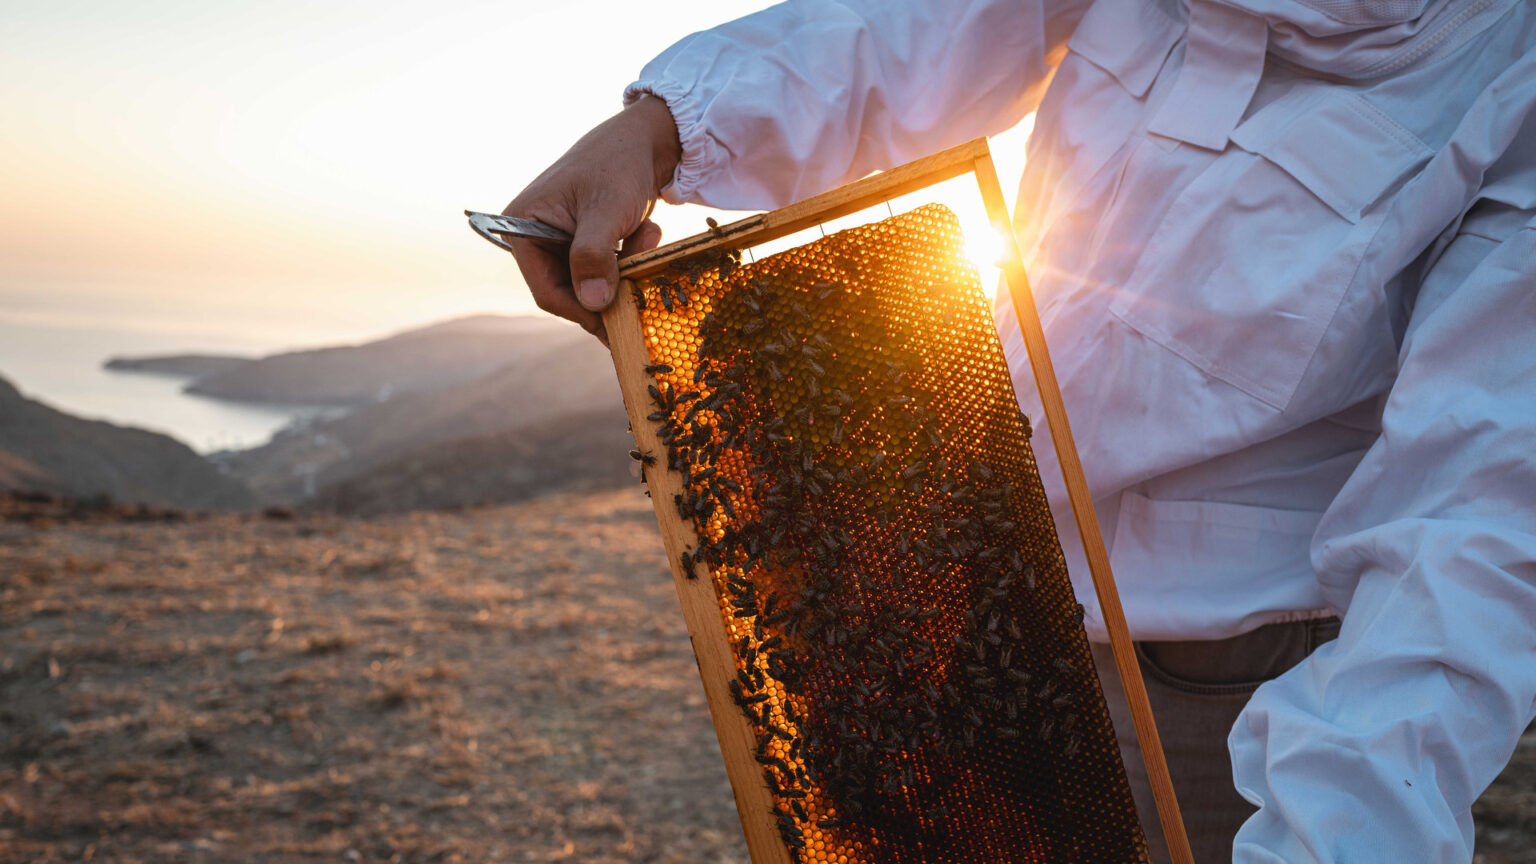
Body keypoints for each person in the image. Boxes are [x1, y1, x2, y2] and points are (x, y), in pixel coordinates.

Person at [500, 1, 1536, 860]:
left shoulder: (1512, 78)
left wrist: (1343, 837)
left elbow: (1470, 535)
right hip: (953, 585)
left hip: (1229, 708)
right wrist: (661, 126)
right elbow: (909, 29)